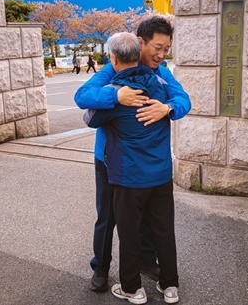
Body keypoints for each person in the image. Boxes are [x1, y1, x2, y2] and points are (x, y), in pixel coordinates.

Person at [74, 16, 191, 295]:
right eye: (158, 48)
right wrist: (117, 97)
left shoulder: (162, 72)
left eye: (167, 49)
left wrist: (168, 109)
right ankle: (101, 266)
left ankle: (146, 262)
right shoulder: (113, 68)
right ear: (141, 43)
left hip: (141, 165)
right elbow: (83, 96)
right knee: (108, 217)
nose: (162, 55)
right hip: (108, 159)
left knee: (150, 217)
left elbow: (184, 99)